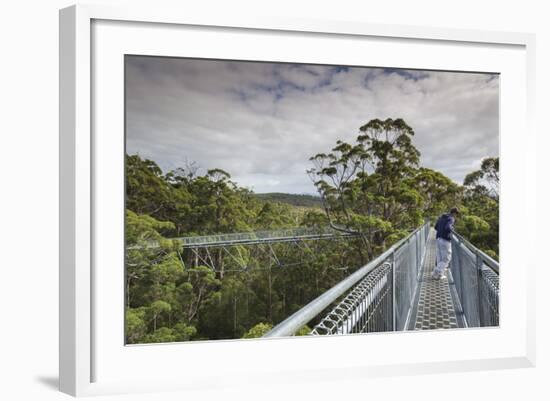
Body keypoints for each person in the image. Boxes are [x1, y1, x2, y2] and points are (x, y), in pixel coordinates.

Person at [432, 207, 460, 280]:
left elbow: (435, 227)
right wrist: (452, 229)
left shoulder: (442, 217)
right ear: (454, 213)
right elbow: (447, 227)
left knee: (440, 258)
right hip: (445, 240)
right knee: (446, 258)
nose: (455, 216)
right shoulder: (451, 218)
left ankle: (439, 275)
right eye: (456, 214)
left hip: (438, 239)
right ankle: (436, 272)